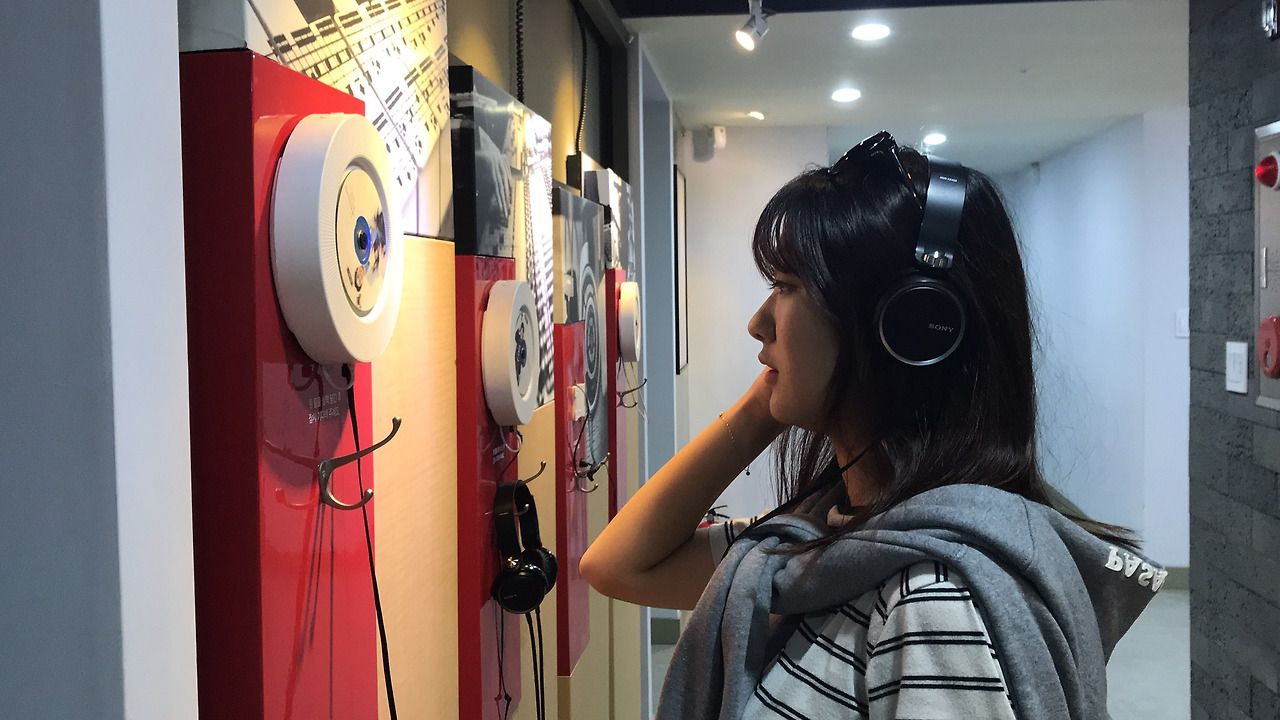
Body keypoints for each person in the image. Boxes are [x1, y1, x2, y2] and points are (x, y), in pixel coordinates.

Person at [579, 131, 1164, 720]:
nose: (758, 323)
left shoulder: (932, 601)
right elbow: (618, 565)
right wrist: (764, 404)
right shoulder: (832, 538)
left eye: (786, 287)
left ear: (907, 327)